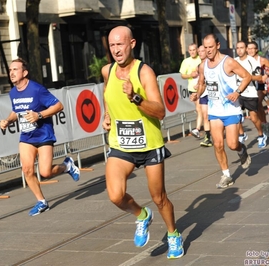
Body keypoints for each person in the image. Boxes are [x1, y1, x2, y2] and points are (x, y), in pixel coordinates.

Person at [101, 25, 184, 259]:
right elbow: (107, 93)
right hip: (121, 145)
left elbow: (160, 112)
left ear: (132, 44)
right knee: (116, 195)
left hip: (149, 145)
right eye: (112, 45)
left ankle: (173, 234)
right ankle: (141, 215)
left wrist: (135, 97)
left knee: (159, 198)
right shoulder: (107, 71)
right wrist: (107, 115)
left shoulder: (144, 72)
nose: (116, 50)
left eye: (120, 44)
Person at [0, 58, 80, 217]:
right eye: (10, 70)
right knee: (27, 170)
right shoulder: (13, 92)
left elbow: (58, 106)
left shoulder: (37, 89)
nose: (12, 73)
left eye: (15, 69)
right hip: (27, 137)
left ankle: (67, 166)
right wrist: (8, 120)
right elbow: (16, 111)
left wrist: (39, 115)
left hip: (43, 135)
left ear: (25, 72)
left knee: (45, 172)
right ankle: (41, 201)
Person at [196, 34, 252, 189]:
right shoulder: (203, 66)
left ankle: (242, 150)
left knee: (232, 144)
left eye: (211, 47)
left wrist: (238, 92)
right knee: (218, 144)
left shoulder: (228, 62)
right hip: (215, 111)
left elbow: (247, 76)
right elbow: (202, 83)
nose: (208, 51)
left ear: (218, 45)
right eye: (205, 48)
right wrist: (198, 93)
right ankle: (226, 175)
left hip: (231, 110)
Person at [234, 41, 267, 148]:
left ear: (246, 49)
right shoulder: (234, 61)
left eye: (241, 48)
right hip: (238, 92)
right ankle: (242, 134)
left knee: (253, 118)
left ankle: (261, 135)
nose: (239, 50)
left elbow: (259, 77)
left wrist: (247, 77)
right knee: (236, 116)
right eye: (237, 48)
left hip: (250, 93)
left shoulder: (251, 61)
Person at [247, 41, 269, 137]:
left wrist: (266, 75)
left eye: (252, 48)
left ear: (256, 50)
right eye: (249, 48)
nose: (250, 50)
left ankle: (263, 124)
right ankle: (264, 123)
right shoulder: (244, 60)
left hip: (260, 85)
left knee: (257, 103)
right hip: (250, 86)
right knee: (258, 107)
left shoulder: (262, 60)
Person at [189, 45, 212, 147]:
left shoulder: (212, 64)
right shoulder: (199, 66)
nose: (201, 53)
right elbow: (201, 81)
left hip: (214, 94)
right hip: (204, 94)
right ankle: (207, 138)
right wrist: (197, 87)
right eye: (200, 51)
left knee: (216, 117)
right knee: (205, 115)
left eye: (203, 51)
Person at [179, 43, 203, 138]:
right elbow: (182, 75)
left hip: (203, 87)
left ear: (197, 50)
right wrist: (190, 75)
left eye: (194, 50)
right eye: (191, 50)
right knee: (199, 109)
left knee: (202, 109)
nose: (192, 52)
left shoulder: (200, 58)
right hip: (192, 89)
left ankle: (199, 128)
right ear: (188, 51)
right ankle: (199, 129)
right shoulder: (186, 61)